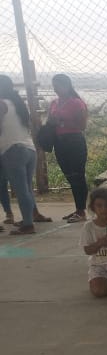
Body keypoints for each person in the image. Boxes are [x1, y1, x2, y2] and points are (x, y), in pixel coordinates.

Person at [0, 75, 40, 235]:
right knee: (26, 189)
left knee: (22, 190)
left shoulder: (2, 104)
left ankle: (28, 224)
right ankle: (28, 218)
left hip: (12, 150)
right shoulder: (17, 103)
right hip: (29, 148)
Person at [48, 73, 89, 222]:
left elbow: (82, 125)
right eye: (54, 86)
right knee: (70, 176)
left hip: (74, 141)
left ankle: (81, 211)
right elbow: (50, 121)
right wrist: (52, 122)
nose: (55, 89)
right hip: (59, 142)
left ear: (67, 86)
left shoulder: (76, 103)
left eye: (58, 86)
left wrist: (63, 121)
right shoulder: (54, 103)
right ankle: (78, 209)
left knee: (78, 175)